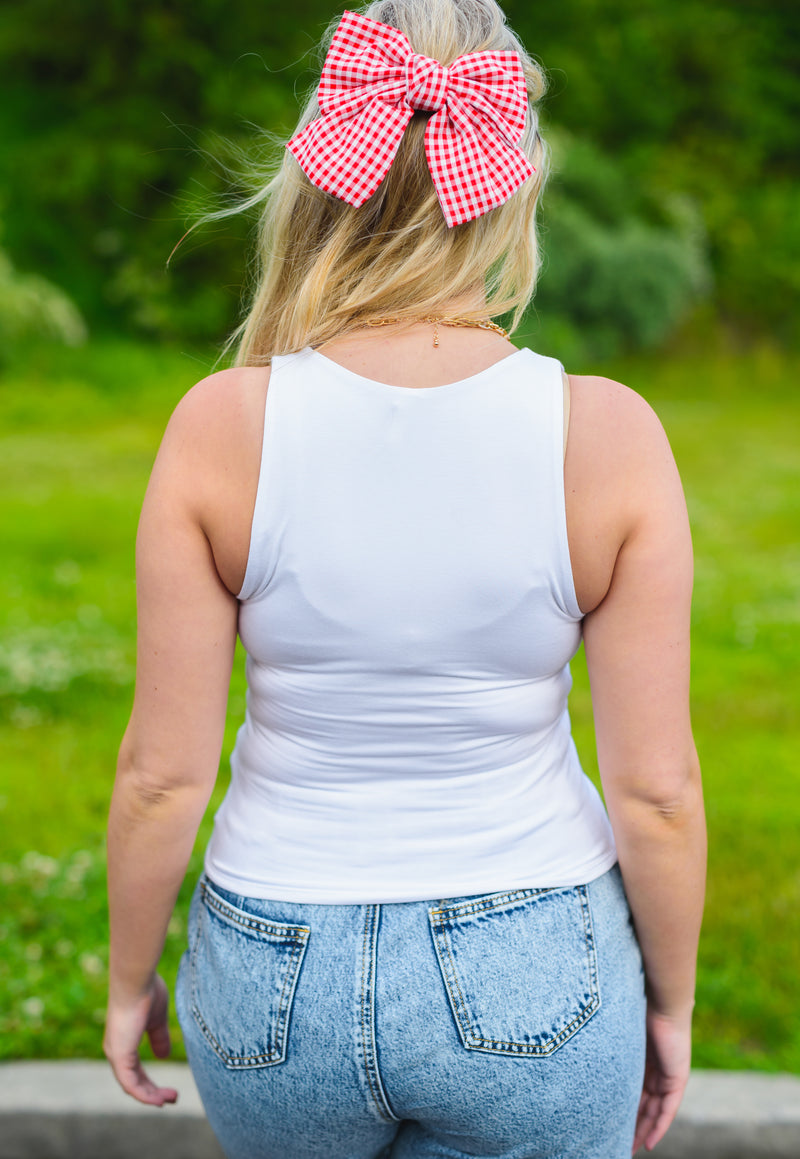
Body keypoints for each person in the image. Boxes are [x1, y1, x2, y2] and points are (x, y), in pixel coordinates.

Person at [103, 2, 706, 1156]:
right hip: (536, 960)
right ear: (512, 183)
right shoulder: (606, 435)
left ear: (321, 172)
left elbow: (159, 778)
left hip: (271, 973)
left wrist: (132, 977)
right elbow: (658, 794)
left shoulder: (222, 427)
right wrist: (667, 1003)